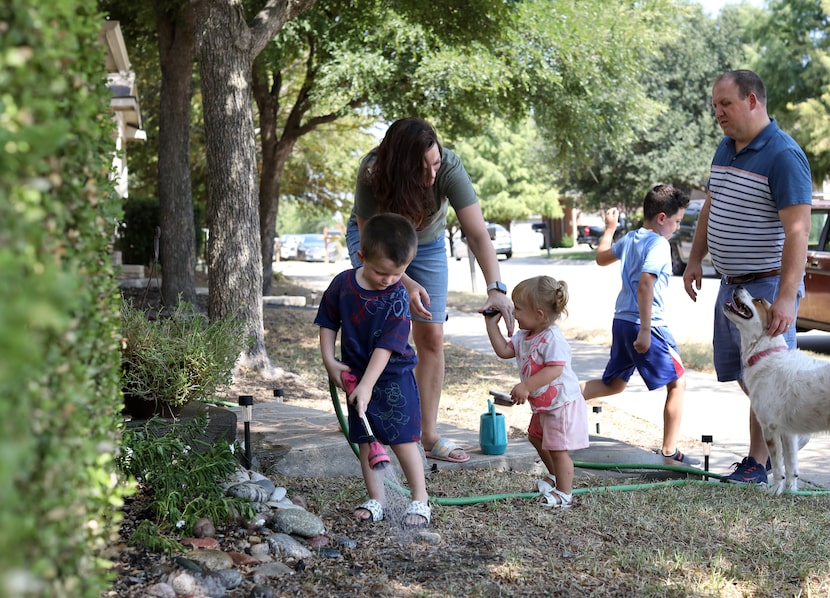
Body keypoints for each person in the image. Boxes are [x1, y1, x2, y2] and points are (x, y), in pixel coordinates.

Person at [346, 117, 514, 464]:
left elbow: (478, 233)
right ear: (400, 167)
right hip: (377, 241)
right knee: (379, 331)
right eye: (422, 168)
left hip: (427, 245)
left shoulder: (448, 166)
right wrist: (402, 281)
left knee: (431, 336)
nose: (432, 173)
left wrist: (496, 287)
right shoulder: (372, 172)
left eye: (435, 163)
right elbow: (368, 236)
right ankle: (369, 416)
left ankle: (427, 433)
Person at [682, 69, 813, 485]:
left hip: (767, 286)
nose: (718, 113)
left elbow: (798, 231)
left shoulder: (783, 155)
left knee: (767, 375)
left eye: (726, 104)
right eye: (715, 106)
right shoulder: (725, 148)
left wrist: (787, 298)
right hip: (733, 284)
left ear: (753, 100)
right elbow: (710, 206)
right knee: (745, 374)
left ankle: (760, 461)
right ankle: (784, 435)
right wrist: (694, 258)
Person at [315, 213, 430, 527]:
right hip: (355, 377)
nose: (390, 280)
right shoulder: (343, 284)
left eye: (399, 273)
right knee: (368, 441)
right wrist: (329, 361)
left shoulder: (396, 295)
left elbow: (387, 347)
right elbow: (327, 321)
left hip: (393, 378)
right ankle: (376, 499)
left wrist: (367, 385)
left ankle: (420, 499)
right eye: (382, 272)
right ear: (361, 256)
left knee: (403, 439)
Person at [581, 185, 695, 464]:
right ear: (661, 218)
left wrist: (610, 228)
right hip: (647, 325)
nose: (677, 228)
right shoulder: (658, 244)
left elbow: (601, 257)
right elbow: (646, 283)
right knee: (677, 383)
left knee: (614, 384)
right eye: (677, 221)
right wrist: (645, 330)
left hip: (621, 321)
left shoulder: (631, 238)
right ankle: (670, 452)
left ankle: (559, 396)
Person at [484, 275, 588, 508]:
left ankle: (564, 493)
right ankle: (554, 476)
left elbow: (555, 369)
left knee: (559, 450)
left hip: (561, 404)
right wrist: (492, 325)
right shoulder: (524, 336)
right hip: (545, 404)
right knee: (535, 437)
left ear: (539, 314)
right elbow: (503, 350)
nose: (514, 313)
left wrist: (526, 386)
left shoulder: (552, 338)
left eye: (518, 309)